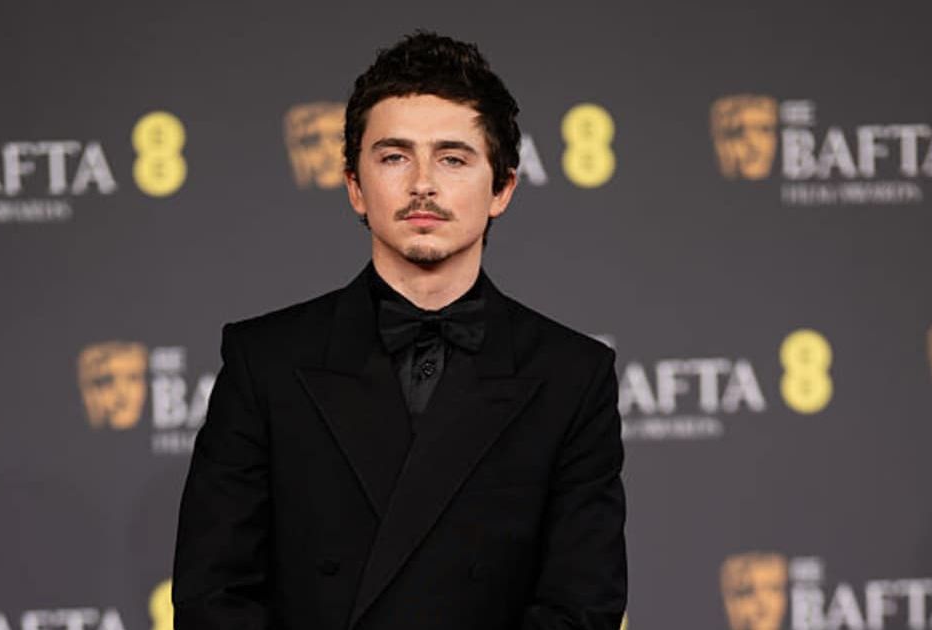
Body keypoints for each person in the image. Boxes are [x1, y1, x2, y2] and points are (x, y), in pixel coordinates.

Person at [173, 30, 626, 630]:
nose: (422, 184)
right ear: (355, 186)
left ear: (502, 189)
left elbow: (581, 606)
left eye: (453, 158)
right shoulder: (267, 361)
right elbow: (213, 596)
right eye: (393, 156)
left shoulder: (572, 376)